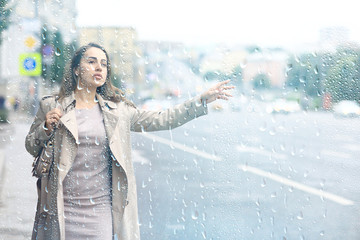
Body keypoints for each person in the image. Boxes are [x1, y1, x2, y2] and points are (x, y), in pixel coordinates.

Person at [25, 42, 234, 240]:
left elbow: (163, 118)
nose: (99, 67)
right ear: (77, 69)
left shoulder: (119, 112)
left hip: (100, 210)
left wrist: (199, 101)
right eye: (91, 61)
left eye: (104, 64)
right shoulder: (53, 106)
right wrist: (45, 128)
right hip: (61, 207)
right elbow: (31, 145)